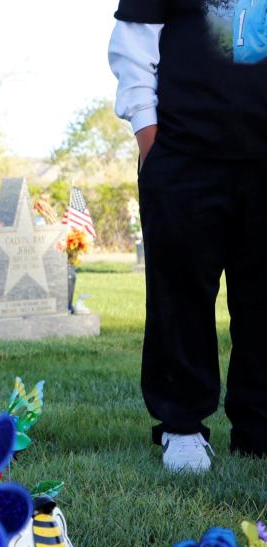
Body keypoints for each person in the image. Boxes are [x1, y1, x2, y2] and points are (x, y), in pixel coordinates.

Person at [109, 0, 267, 472]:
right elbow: (132, 44)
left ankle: (258, 429)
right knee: (178, 295)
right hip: (184, 153)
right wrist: (148, 134)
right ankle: (182, 427)